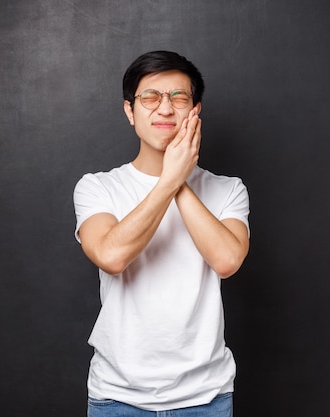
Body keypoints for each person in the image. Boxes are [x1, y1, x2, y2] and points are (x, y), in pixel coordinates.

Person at [73, 50, 250, 416]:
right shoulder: (97, 187)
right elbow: (112, 256)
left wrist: (176, 178)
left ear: (195, 111)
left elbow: (227, 260)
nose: (165, 109)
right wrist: (171, 177)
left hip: (206, 399)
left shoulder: (229, 189)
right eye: (150, 98)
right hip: (117, 398)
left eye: (179, 98)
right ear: (130, 111)